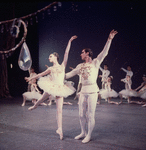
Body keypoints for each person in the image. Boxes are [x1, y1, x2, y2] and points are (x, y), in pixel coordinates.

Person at [65, 29, 118, 143]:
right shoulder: (79, 66)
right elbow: (68, 75)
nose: (80, 54)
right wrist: (56, 74)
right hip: (83, 92)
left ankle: (89, 134)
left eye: (82, 52)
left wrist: (109, 39)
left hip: (93, 91)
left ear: (87, 53)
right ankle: (83, 132)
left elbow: (104, 52)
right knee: (80, 114)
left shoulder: (95, 62)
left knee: (90, 114)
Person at [25, 35, 77, 140]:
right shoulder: (51, 69)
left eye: (50, 56)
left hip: (60, 88)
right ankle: (35, 106)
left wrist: (69, 41)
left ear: (55, 57)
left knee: (59, 110)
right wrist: (31, 79)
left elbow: (66, 53)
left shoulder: (63, 65)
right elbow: (40, 74)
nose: (49, 58)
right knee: (42, 98)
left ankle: (60, 129)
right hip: (51, 86)